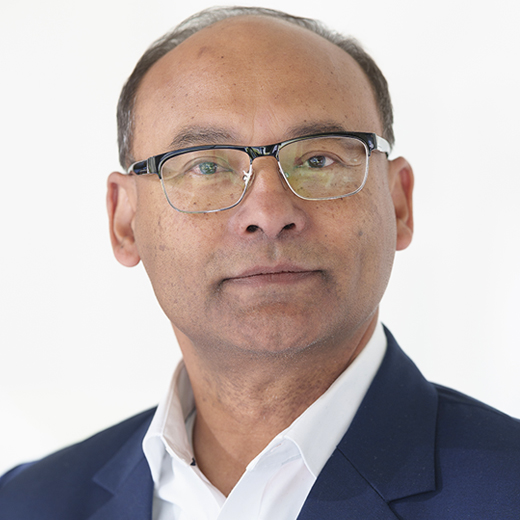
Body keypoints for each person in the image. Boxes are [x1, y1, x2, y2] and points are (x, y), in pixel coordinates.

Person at [1, 5, 519, 519]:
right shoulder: (25, 505)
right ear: (124, 220)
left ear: (399, 203)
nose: (269, 215)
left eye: (318, 160)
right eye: (206, 165)